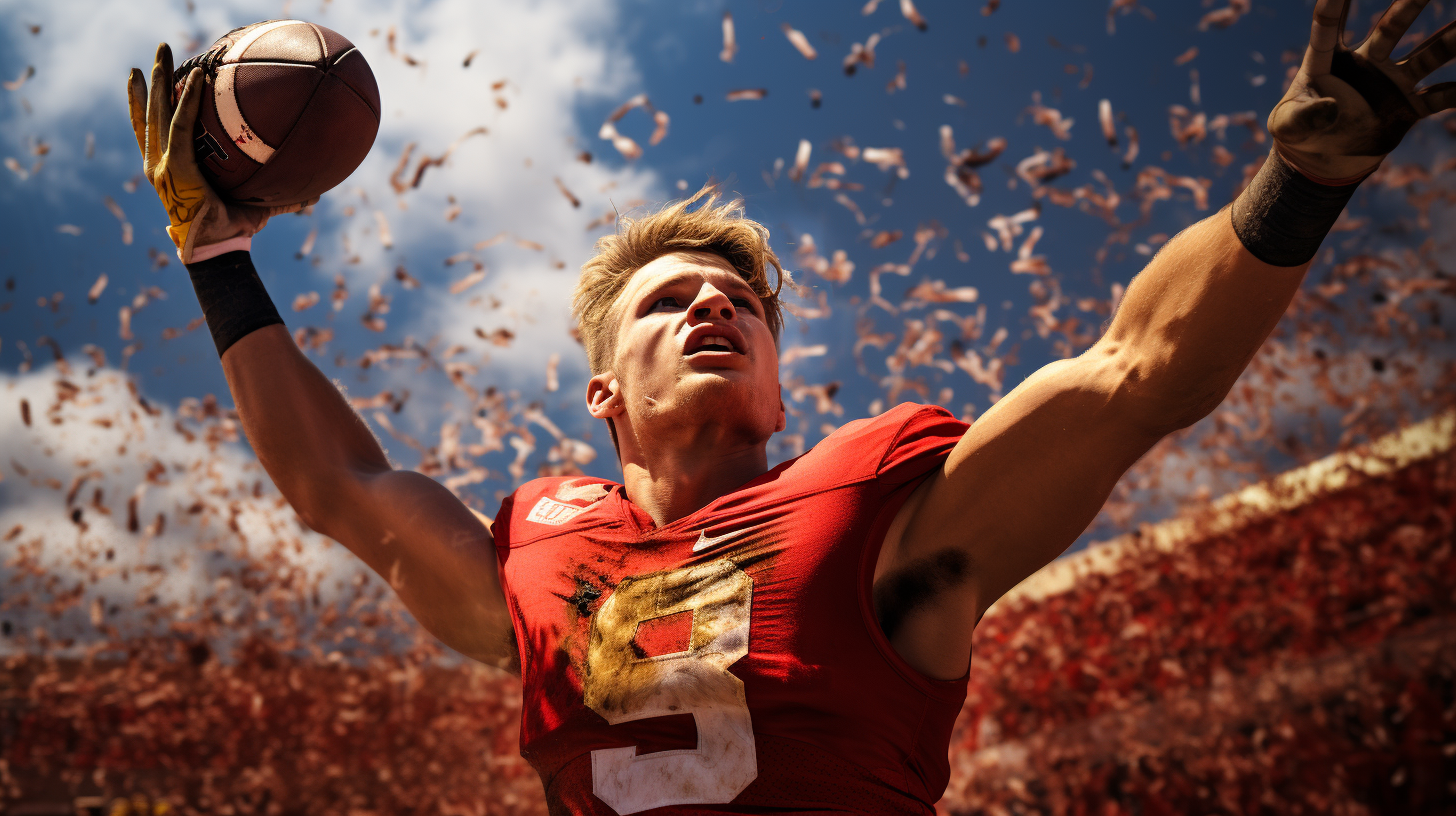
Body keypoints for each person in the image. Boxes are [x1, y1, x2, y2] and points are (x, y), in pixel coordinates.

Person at [126, 1, 1455, 812]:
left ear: (778, 377)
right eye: (667, 304)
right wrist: (215, 255)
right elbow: (336, 492)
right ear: (601, 392)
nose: (712, 309)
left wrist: (1293, 188)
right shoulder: (532, 555)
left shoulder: (878, 510)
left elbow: (1132, 373)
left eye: (739, 305)